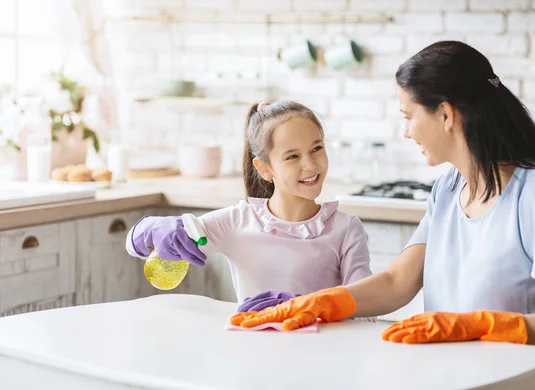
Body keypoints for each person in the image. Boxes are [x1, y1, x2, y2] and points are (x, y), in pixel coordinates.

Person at [230, 41, 535, 389]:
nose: (405, 132)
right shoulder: (449, 189)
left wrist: (482, 325)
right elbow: (396, 282)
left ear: (446, 115)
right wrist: (322, 303)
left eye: (408, 116)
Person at [126, 100, 372, 312]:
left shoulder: (346, 229)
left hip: (325, 352)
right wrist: (153, 228)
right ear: (264, 169)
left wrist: (315, 308)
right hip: (251, 351)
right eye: (292, 156)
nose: (310, 165)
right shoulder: (238, 222)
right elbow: (134, 244)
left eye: (316, 148)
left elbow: (366, 308)